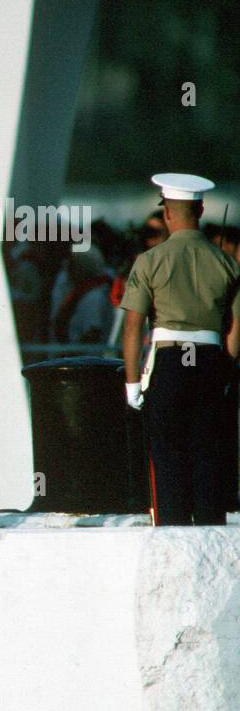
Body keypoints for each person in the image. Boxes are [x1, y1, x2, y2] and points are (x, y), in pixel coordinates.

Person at [121, 173, 240, 526]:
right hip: (209, 361)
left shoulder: (150, 261)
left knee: (168, 454)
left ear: (168, 214)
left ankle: (173, 532)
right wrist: (225, 370)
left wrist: (131, 384)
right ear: (201, 209)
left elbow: (132, 326)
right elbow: (235, 333)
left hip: (169, 360)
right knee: (208, 452)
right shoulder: (226, 263)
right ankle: (208, 531)